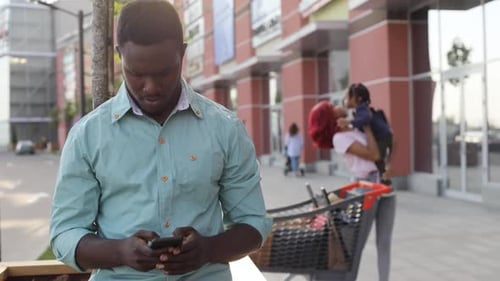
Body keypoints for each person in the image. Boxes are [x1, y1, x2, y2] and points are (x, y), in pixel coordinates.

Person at [49, 1, 272, 280]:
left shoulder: (225, 129)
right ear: (119, 57)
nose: (151, 87)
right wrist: (120, 252)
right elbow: (64, 234)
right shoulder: (87, 136)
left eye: (164, 72)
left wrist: (208, 249)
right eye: (136, 73)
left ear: (183, 53)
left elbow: (253, 224)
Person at [308, 100, 396, 281]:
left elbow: (390, 141)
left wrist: (391, 163)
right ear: (330, 117)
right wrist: (366, 125)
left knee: (384, 242)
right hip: (365, 187)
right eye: (332, 106)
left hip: (384, 183)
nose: (337, 104)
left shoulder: (354, 127)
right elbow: (374, 154)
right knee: (357, 244)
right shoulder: (339, 138)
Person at [337, 83, 394, 183]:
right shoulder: (359, 109)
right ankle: (384, 179)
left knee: (377, 159)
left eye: (347, 97)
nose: (345, 100)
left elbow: (365, 119)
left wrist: (349, 122)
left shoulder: (362, 108)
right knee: (379, 160)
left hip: (382, 137)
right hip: (383, 135)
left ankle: (385, 181)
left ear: (358, 99)